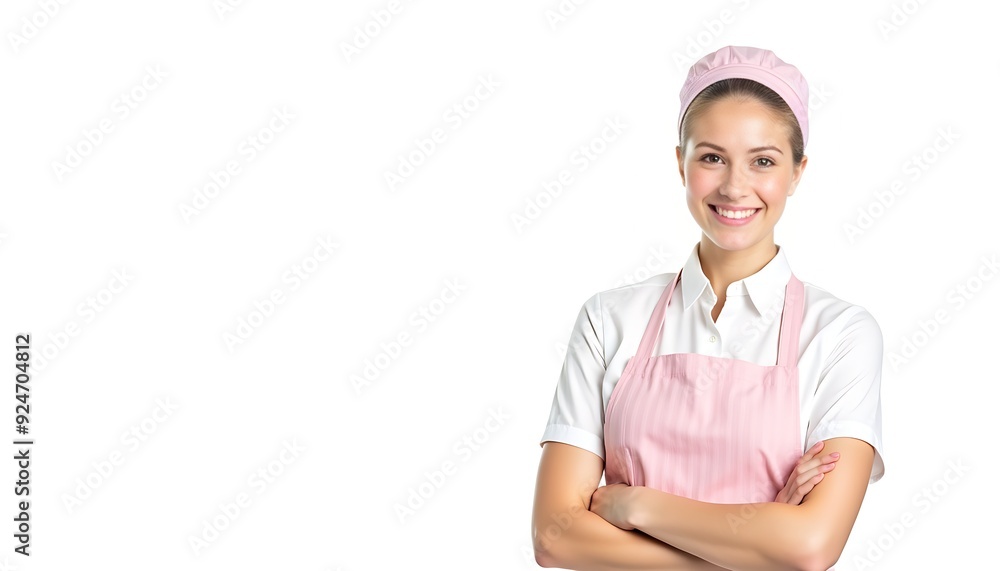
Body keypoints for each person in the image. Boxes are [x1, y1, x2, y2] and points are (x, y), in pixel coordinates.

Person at [531, 45, 885, 571]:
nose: (735, 186)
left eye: (763, 161)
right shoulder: (609, 320)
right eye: (711, 157)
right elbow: (554, 537)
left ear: (797, 172)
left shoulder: (839, 334)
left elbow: (811, 546)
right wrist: (755, 549)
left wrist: (637, 505)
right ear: (681, 163)